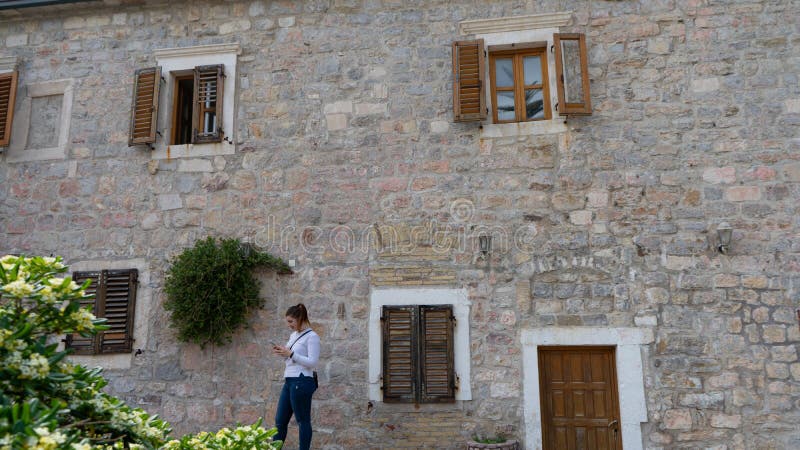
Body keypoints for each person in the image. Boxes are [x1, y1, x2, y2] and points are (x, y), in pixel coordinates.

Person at [272, 303, 320, 450]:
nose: (289, 325)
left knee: (303, 421)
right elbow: (291, 358)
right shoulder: (294, 335)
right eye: (287, 322)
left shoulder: (312, 337)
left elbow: (312, 362)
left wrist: (291, 354)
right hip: (289, 380)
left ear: (300, 319)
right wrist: (283, 352)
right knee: (280, 421)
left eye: (291, 321)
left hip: (302, 380)